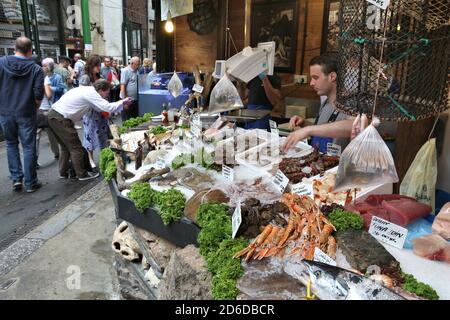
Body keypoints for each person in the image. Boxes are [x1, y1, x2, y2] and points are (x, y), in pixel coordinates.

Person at [47, 79, 132, 180]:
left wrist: (119, 104)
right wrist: (123, 101)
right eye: (107, 93)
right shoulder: (91, 93)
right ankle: (82, 174)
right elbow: (107, 107)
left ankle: (63, 172)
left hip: (53, 115)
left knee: (65, 147)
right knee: (76, 148)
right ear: (101, 90)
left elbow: (101, 108)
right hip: (61, 118)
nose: (107, 96)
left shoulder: (86, 90)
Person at [282, 53, 354, 153]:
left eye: (315, 78)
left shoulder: (353, 104)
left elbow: (353, 125)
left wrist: (308, 130)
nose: (311, 83)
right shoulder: (326, 103)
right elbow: (321, 128)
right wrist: (304, 124)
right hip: (318, 163)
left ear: (332, 76)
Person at [0, 37, 45, 192]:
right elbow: (39, 95)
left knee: (11, 144)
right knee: (28, 146)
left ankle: (16, 178)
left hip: (5, 111)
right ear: (30, 51)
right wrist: (34, 107)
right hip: (26, 111)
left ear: (14, 48)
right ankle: (30, 182)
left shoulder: (2, 62)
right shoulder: (36, 69)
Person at [79, 55, 108, 172]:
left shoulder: (100, 76)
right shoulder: (85, 78)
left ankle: (104, 157)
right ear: (91, 66)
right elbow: (81, 95)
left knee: (103, 134)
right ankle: (90, 158)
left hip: (100, 110)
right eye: (96, 66)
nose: (98, 68)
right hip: (90, 112)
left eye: (99, 66)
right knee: (89, 135)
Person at [36, 57, 65, 166]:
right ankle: (59, 153)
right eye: (43, 65)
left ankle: (57, 152)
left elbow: (61, 88)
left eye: (46, 65)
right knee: (47, 132)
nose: (44, 67)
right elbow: (48, 96)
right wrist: (47, 89)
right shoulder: (44, 78)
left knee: (52, 132)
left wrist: (51, 88)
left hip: (52, 106)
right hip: (45, 108)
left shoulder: (56, 77)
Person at [120, 56, 140, 121]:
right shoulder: (125, 71)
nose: (138, 66)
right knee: (127, 120)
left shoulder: (136, 70)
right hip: (128, 100)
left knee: (135, 120)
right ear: (131, 63)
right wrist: (125, 101)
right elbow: (122, 86)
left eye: (139, 64)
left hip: (135, 100)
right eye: (137, 64)